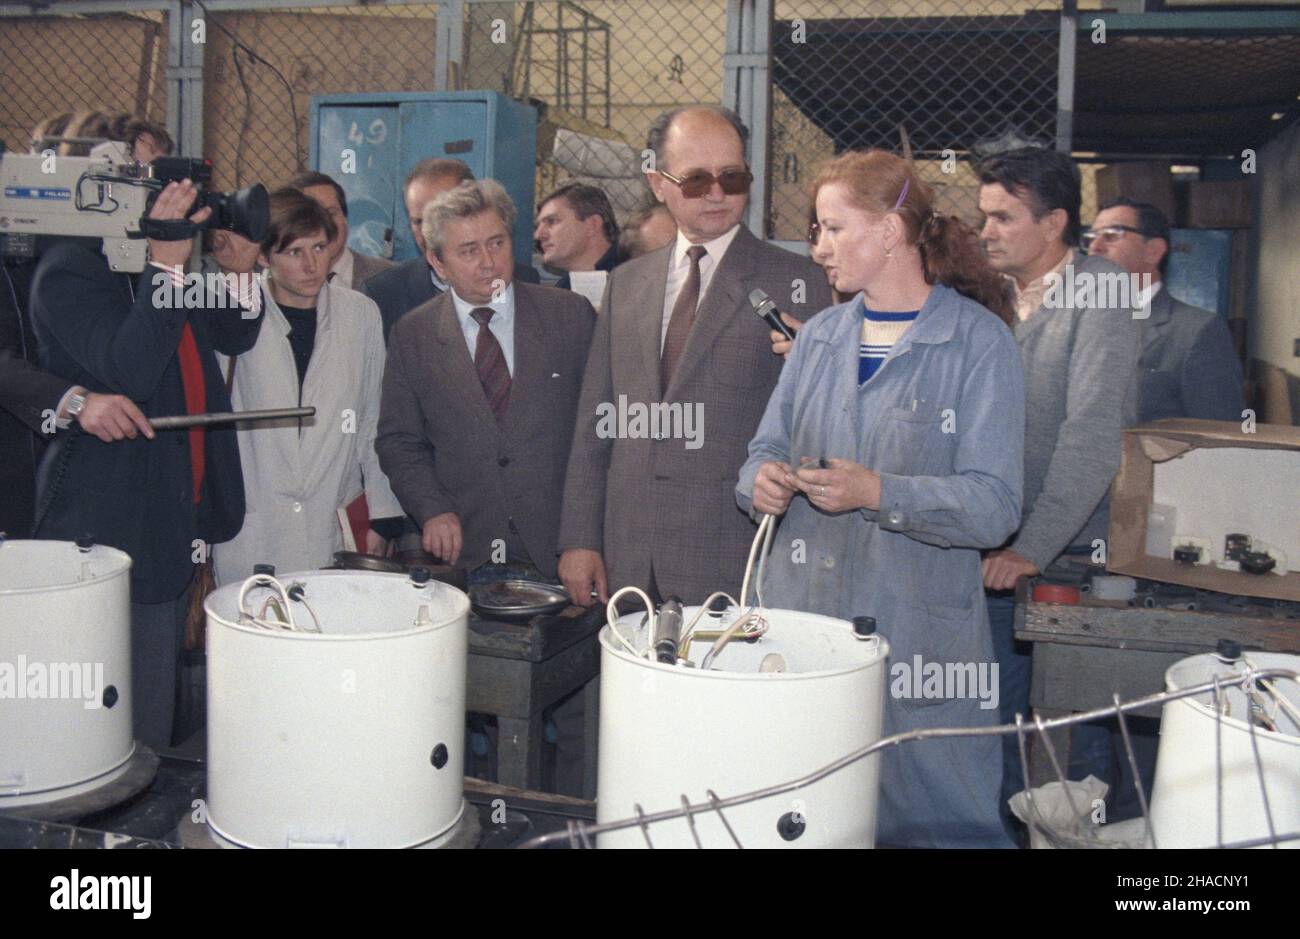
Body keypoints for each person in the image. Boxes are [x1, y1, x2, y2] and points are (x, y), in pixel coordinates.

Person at [737, 150, 1024, 848]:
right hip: (807, 626)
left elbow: (995, 506)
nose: (818, 247)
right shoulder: (819, 340)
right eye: (817, 229)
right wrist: (764, 482)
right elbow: (757, 456)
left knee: (942, 823)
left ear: (891, 232)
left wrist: (878, 492)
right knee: (804, 816)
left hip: (921, 640)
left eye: (833, 228)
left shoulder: (978, 343)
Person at [558, 105, 832, 607]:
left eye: (732, 177)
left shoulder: (799, 284)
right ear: (657, 182)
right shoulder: (627, 285)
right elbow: (598, 423)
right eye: (696, 180)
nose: (716, 193)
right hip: (630, 559)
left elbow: (821, 429)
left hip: (736, 559)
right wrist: (580, 539)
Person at [29, 178, 263, 748]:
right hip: (108, 529)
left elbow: (235, 332)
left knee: (151, 721)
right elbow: (130, 369)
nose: (161, 200)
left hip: (170, 517)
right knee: (98, 726)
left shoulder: (162, 262)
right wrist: (166, 267)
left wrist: (237, 269)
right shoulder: (71, 271)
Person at [975, 147, 1142, 823]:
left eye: (1003, 217)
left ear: (1054, 224)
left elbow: (1093, 434)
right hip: (990, 549)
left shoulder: (1098, 294)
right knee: (1002, 726)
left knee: (1078, 744)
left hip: (1062, 557)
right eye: (983, 216)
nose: (986, 230)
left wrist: (1034, 547)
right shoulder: (988, 296)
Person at [376, 178, 595, 577]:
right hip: (466, 554)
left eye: (497, 243)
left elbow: (599, 433)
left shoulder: (570, 317)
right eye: (469, 251)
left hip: (561, 551)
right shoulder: (414, 334)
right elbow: (400, 441)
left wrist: (584, 537)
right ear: (438, 263)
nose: (488, 262)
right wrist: (433, 509)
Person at [212, 189, 402, 585]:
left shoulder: (359, 315)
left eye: (319, 247)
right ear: (264, 257)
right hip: (252, 527)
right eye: (294, 252)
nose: (312, 264)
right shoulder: (232, 313)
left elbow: (373, 419)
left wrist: (383, 516)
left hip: (332, 522)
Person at [1084, 198, 1244, 423]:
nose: (1095, 247)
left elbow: (1222, 438)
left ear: (1153, 251)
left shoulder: (1196, 332)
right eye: (1090, 239)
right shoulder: (1084, 328)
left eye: (1111, 235)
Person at [364, 159, 540, 342]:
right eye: (418, 221)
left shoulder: (524, 280)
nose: (428, 232)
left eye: (442, 216)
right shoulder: (384, 294)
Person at [290, 170, 396, 290]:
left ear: (345, 218)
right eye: (311, 216)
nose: (325, 225)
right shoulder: (277, 284)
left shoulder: (392, 278)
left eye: (331, 213)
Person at [534, 182, 620, 289]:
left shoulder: (636, 277)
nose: (538, 235)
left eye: (552, 221)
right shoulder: (563, 290)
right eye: (538, 226)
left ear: (592, 225)